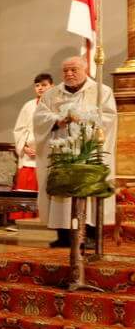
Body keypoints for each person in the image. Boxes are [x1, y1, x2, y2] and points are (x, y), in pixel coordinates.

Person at [34, 56, 117, 246]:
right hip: (62, 150)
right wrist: (57, 120)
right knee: (61, 192)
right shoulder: (52, 94)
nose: (69, 74)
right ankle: (63, 235)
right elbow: (39, 117)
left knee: (88, 190)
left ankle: (89, 234)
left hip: (88, 151)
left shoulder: (101, 91)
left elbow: (109, 117)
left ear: (85, 69)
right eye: (65, 70)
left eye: (74, 70)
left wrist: (82, 118)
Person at [11, 74, 53, 214]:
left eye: (44, 85)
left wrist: (44, 150)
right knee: (26, 191)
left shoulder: (57, 105)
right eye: (37, 85)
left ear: (52, 86)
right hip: (29, 157)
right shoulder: (28, 106)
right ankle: (24, 219)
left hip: (48, 156)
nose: (40, 88)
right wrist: (24, 147)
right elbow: (19, 129)